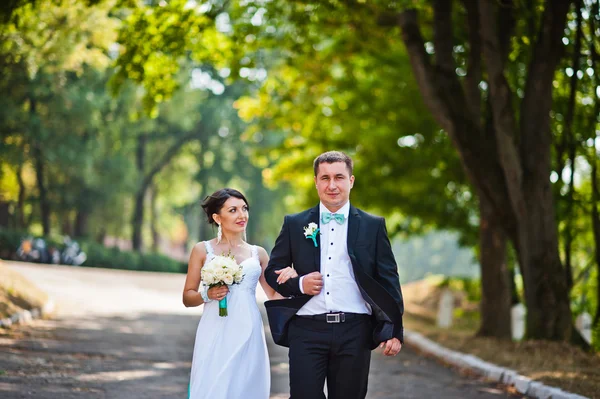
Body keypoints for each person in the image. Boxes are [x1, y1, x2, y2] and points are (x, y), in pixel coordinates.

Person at [264, 151, 404, 399]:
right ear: (316, 181)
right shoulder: (294, 224)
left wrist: (394, 329)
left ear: (351, 181)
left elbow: (388, 279)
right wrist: (299, 284)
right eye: (325, 178)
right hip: (306, 329)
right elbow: (273, 273)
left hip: (355, 330)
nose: (332, 185)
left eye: (339, 177)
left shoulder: (373, 226)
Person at [183, 188, 298, 399]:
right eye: (233, 210)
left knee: (244, 384)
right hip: (214, 326)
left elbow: (274, 295)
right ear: (217, 217)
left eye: (244, 209)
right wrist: (208, 294)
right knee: (213, 383)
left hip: (248, 326)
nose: (242, 215)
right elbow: (187, 297)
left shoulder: (258, 253)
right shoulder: (202, 250)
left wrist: (295, 280)